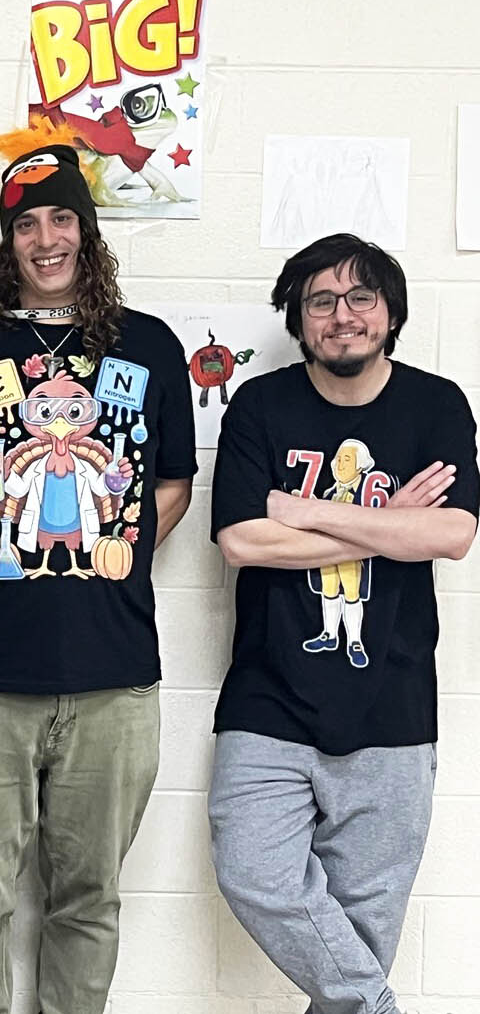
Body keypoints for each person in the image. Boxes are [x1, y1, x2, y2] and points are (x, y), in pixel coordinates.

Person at [0, 120, 197, 1014]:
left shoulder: (148, 345)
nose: (46, 240)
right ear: (8, 240)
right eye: (27, 225)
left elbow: (172, 486)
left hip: (112, 677)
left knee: (88, 903)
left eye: (61, 221)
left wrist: (116, 554)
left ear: (87, 231)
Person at [209, 234, 478, 1014]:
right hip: (267, 698)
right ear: (298, 318)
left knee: (364, 928)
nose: (342, 316)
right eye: (320, 301)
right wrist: (383, 521)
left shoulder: (435, 405)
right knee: (254, 872)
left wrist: (309, 512)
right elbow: (243, 542)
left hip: (393, 704)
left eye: (361, 298)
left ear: (390, 313)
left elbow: (451, 535)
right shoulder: (261, 403)